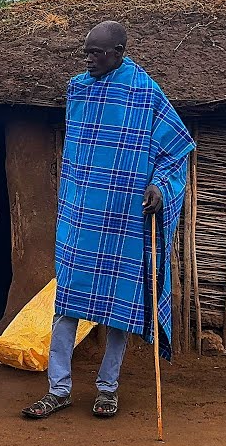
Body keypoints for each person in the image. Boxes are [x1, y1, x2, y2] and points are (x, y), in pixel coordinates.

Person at [22, 21, 195, 420]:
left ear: (118, 51)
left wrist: (160, 187)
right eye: (86, 51)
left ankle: (107, 388)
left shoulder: (144, 93)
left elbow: (176, 151)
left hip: (125, 219)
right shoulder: (78, 90)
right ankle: (58, 389)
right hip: (81, 215)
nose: (89, 59)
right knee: (67, 304)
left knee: (120, 307)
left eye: (97, 53)